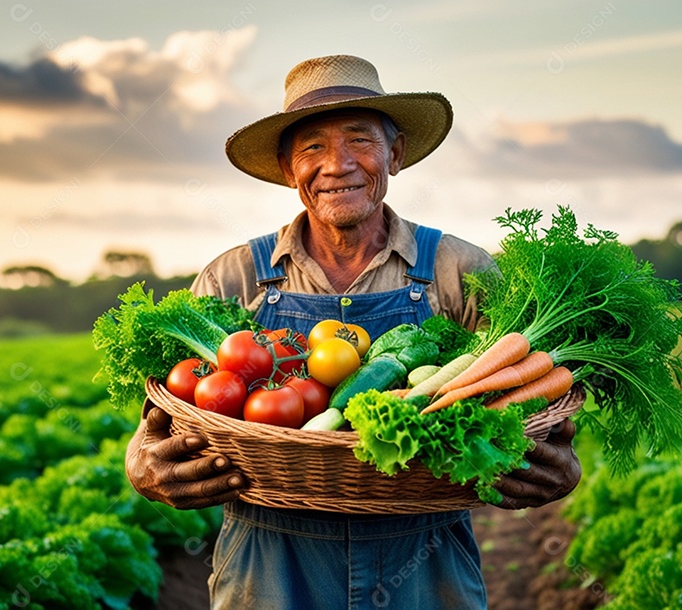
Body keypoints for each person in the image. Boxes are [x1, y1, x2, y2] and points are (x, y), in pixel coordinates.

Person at [125, 55, 582, 609]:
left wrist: (557, 461)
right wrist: (142, 462)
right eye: (312, 146)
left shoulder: (461, 271)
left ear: (396, 153)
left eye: (360, 139)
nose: (337, 164)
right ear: (289, 168)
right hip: (268, 569)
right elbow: (163, 421)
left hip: (426, 564)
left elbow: (531, 411)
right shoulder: (232, 277)